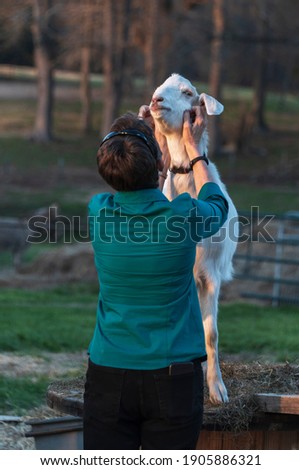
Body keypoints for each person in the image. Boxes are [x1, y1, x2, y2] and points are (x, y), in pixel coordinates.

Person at [83, 107, 228, 450]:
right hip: (173, 378)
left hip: (108, 374)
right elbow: (216, 201)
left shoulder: (99, 212)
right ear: (160, 164)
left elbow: (131, 176)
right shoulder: (184, 215)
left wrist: (141, 137)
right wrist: (194, 150)